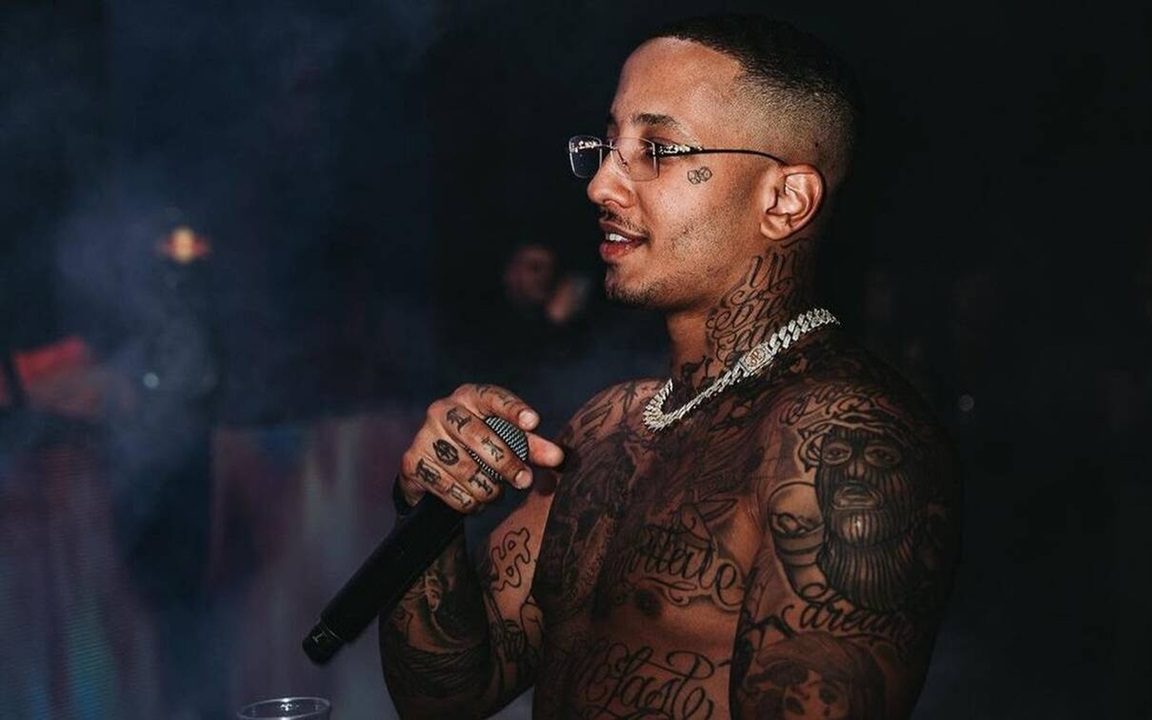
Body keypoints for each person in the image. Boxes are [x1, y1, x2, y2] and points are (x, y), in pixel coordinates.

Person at [382, 14, 960, 719]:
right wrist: (431, 508)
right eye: (609, 145)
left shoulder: (846, 440)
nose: (602, 185)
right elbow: (444, 697)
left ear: (784, 200)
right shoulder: (607, 425)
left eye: (656, 149)